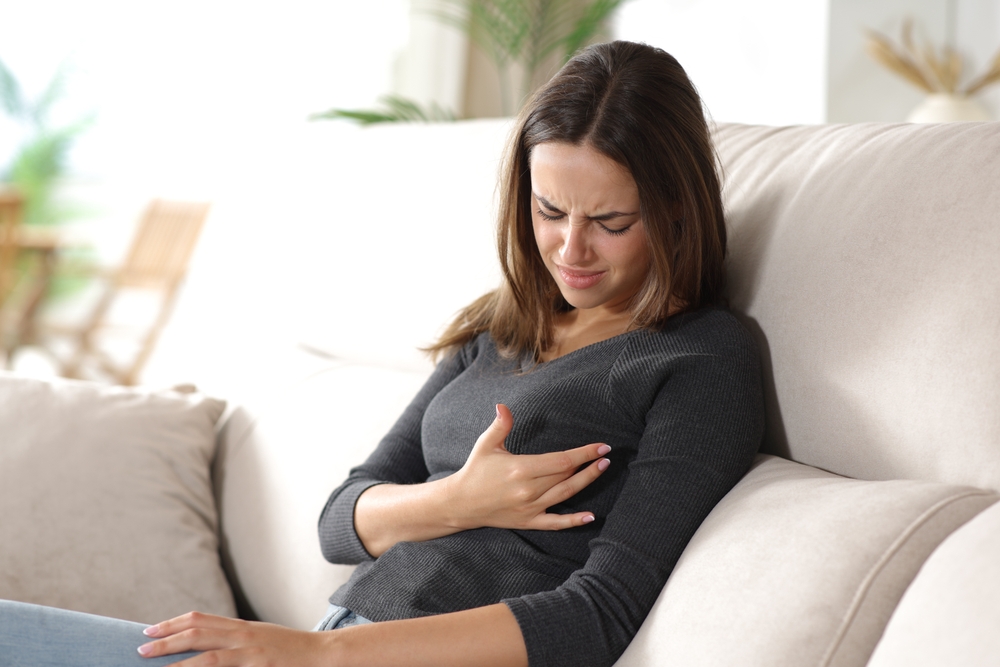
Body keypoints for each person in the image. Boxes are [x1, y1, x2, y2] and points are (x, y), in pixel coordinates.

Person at [0, 40, 764, 667]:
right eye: (549, 210)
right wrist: (457, 501)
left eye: (611, 220)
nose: (572, 249)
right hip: (327, 639)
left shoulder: (699, 361)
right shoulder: (502, 326)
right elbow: (340, 520)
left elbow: (597, 616)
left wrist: (311, 654)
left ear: (674, 208)